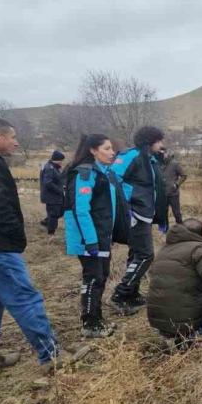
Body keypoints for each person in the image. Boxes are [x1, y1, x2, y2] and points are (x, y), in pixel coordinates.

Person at [0, 116, 85, 379]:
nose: (16, 142)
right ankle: (52, 356)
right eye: (12, 137)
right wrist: (15, 239)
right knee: (24, 297)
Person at [63, 134, 131, 338]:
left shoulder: (104, 172)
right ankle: (90, 323)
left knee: (101, 276)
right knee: (93, 277)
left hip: (101, 235)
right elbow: (81, 210)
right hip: (89, 238)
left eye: (112, 148)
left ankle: (96, 318)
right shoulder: (85, 173)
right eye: (107, 149)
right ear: (93, 150)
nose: (112, 153)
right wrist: (91, 241)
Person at [109, 126, 168, 315]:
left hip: (145, 214)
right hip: (134, 215)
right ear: (149, 141)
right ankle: (120, 294)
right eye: (159, 141)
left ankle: (132, 293)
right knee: (145, 255)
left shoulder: (150, 159)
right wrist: (127, 207)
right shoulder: (130, 156)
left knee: (136, 253)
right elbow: (112, 178)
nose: (162, 144)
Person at [39, 150, 66, 236]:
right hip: (51, 197)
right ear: (57, 160)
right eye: (61, 160)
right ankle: (51, 233)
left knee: (61, 211)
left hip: (56, 196)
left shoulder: (55, 167)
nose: (62, 162)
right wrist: (59, 190)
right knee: (54, 214)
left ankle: (47, 222)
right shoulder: (49, 168)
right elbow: (48, 183)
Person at [160, 150, 187, 225]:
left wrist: (176, 184)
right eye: (161, 154)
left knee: (177, 213)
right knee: (163, 213)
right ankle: (165, 229)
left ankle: (181, 228)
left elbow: (184, 176)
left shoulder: (175, 164)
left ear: (167, 154)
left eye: (164, 153)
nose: (163, 155)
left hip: (173, 193)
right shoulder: (159, 163)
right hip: (163, 194)